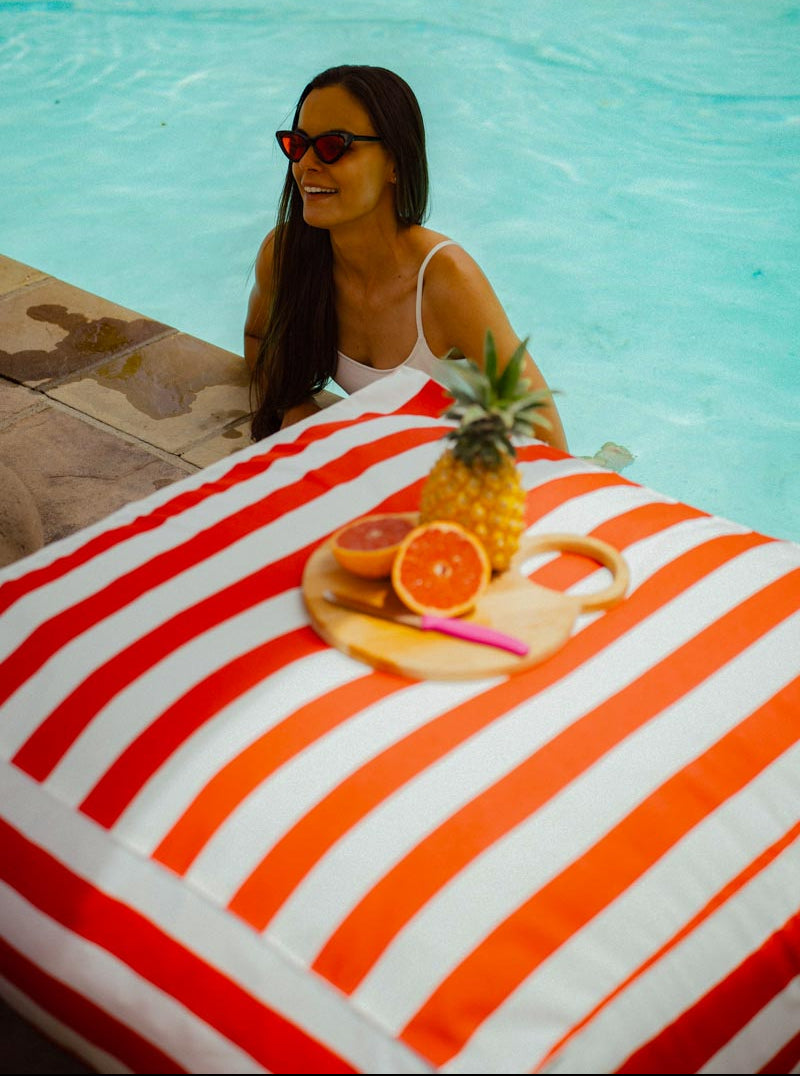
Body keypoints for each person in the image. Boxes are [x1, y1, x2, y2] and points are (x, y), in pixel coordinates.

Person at [244, 64, 567, 451]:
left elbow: (548, 439)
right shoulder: (287, 255)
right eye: (298, 144)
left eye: (333, 146)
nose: (306, 165)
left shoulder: (445, 281)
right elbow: (257, 337)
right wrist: (294, 403)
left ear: (395, 162)